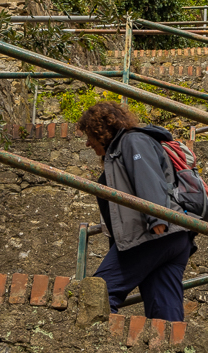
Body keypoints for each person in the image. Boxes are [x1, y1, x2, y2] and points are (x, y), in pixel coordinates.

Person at [77, 101, 197, 323]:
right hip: (174, 236)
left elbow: (147, 176)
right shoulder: (123, 149)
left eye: (89, 135)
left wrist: (157, 218)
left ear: (100, 130)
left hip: (153, 233)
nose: (87, 143)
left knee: (99, 291)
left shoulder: (132, 141)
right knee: (164, 310)